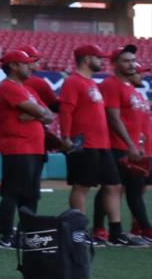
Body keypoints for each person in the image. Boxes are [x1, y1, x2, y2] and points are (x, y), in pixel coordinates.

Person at [0, 46, 55, 249]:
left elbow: (48, 115)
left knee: (30, 193)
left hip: (33, 147)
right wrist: (38, 114)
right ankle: (7, 236)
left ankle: (26, 233)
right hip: (18, 146)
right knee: (14, 192)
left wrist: (35, 114)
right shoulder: (8, 86)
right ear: (13, 66)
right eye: (25, 64)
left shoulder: (27, 89)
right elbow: (41, 112)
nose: (30, 68)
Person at [60, 43, 123, 243]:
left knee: (113, 186)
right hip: (84, 144)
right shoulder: (73, 82)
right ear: (87, 58)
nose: (102, 61)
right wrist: (66, 137)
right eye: (99, 58)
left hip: (102, 145)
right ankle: (78, 231)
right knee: (82, 186)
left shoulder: (92, 83)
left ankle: (116, 232)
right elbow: (66, 111)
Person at [111, 47, 152, 243]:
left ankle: (138, 227)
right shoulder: (115, 86)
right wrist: (132, 144)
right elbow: (114, 118)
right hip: (122, 147)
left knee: (137, 188)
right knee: (114, 188)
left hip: (139, 148)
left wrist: (141, 144)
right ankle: (107, 229)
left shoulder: (138, 95)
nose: (140, 74)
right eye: (139, 71)